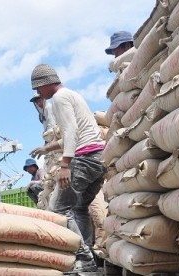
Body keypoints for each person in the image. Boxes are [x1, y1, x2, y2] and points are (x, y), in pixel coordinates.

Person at [29, 63, 106, 272]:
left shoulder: (59, 98)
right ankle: (87, 254)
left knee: (57, 210)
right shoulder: (73, 95)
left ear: (46, 83)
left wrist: (65, 165)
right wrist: (46, 148)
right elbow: (73, 133)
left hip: (84, 159)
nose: (38, 93)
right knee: (79, 207)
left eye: (38, 88)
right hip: (100, 159)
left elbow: (71, 131)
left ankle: (85, 260)